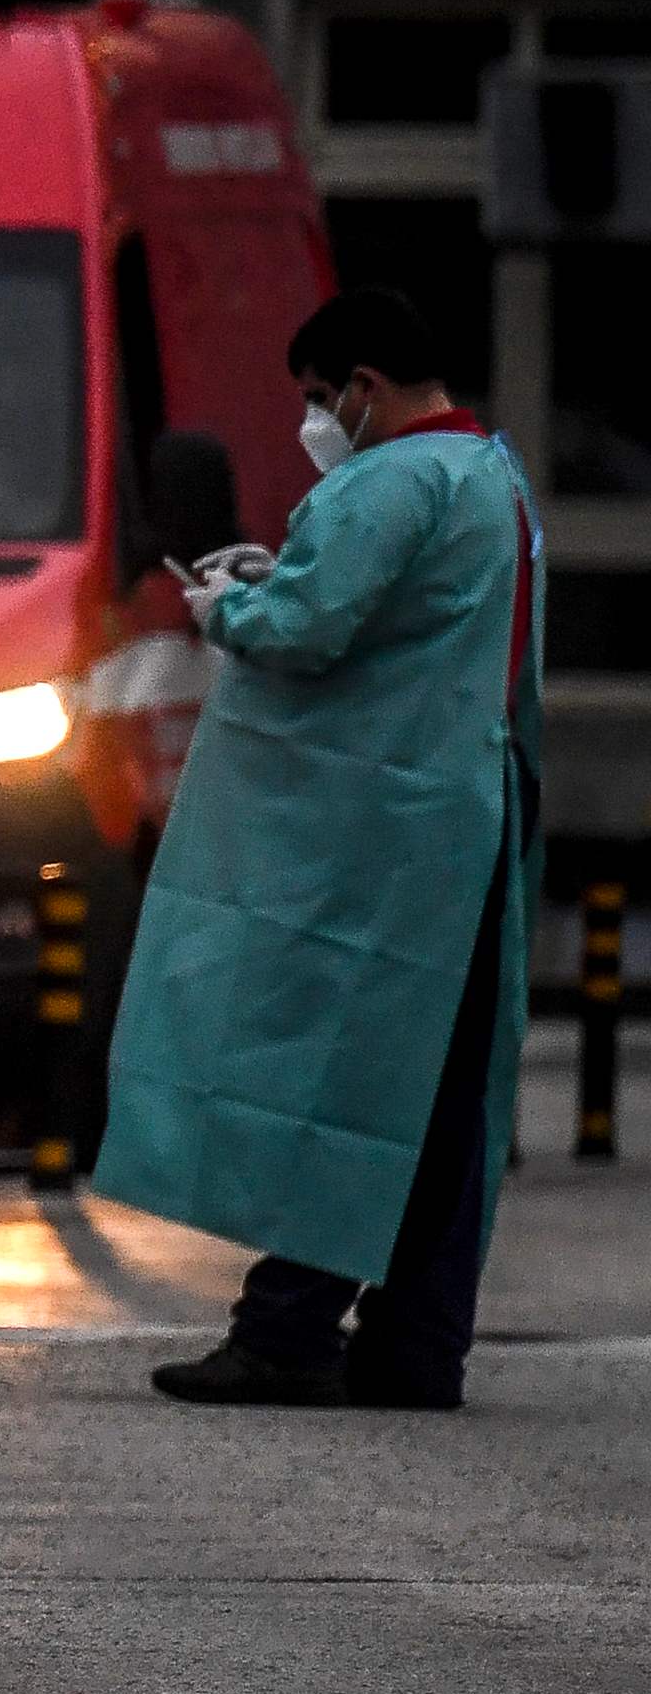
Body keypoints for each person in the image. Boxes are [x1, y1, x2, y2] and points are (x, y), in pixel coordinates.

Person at [103, 288, 541, 1410]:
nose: (313, 418)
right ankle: (412, 1345)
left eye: (316, 395)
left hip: (385, 843)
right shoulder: (492, 472)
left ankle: (287, 1328)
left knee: (343, 1082)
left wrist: (222, 610)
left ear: (364, 387)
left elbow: (307, 625)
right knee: (437, 1102)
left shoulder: (392, 478)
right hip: (464, 822)